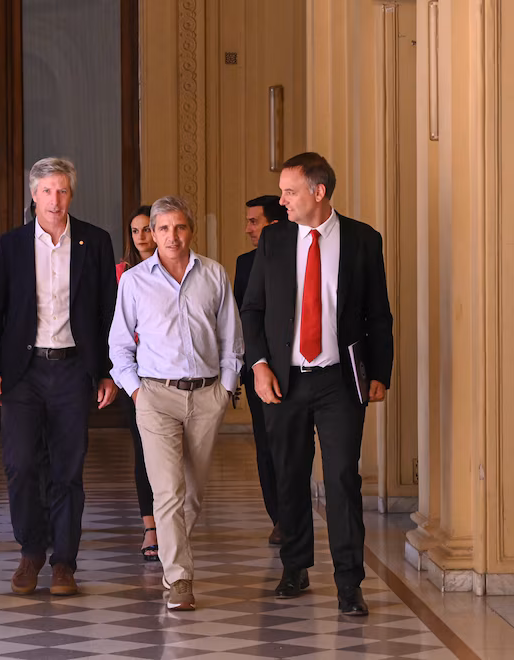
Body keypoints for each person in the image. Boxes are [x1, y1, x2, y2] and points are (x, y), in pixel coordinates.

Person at [240, 152, 393, 616]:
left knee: (343, 478)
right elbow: (253, 309)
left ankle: (349, 582)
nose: (283, 200)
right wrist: (259, 365)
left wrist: (380, 373)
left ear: (318, 192)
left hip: (339, 382)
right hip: (284, 381)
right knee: (289, 474)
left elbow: (378, 313)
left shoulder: (363, 240)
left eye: (290, 192)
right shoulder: (274, 240)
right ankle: (295, 567)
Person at [0, 157, 118, 597]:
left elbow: (109, 313)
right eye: (46, 191)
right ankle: (31, 551)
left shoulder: (95, 241)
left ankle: (64, 563)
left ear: (71, 194)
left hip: (74, 369)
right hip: (23, 373)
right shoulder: (12, 245)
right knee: (20, 464)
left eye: (62, 190)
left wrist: (108, 372)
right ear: (33, 195)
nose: (54, 200)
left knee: (67, 469)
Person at [109, 195, 244, 611]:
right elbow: (119, 345)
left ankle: (175, 558)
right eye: (163, 228)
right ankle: (180, 578)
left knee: (192, 495)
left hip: (206, 395)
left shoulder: (214, 274)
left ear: (191, 231)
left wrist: (225, 389)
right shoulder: (134, 281)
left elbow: (231, 339)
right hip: (156, 395)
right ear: (152, 233)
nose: (172, 236)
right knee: (167, 491)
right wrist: (137, 392)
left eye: (180, 227)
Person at [233, 195, 286, 545]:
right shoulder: (245, 263)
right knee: (265, 446)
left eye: (254, 222)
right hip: (258, 369)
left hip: (297, 369)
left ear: (274, 225)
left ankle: (294, 515)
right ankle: (279, 518)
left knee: (292, 447)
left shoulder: (301, 255)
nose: (248, 229)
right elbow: (241, 317)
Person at [116, 205, 159, 561]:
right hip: (135, 374)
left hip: (171, 372)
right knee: (144, 449)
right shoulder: (121, 274)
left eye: (147, 229)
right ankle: (150, 526)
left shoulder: (178, 269)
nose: (141, 236)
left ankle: (173, 521)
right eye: (135, 230)